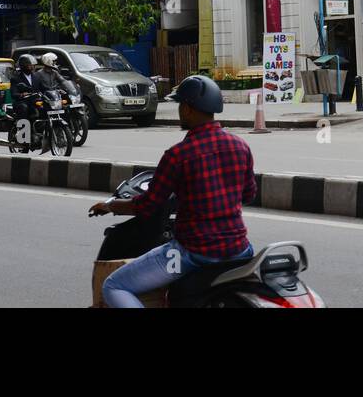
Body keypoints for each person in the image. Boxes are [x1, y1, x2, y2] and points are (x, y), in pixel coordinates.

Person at [93, 75, 257, 308]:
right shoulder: (240, 146)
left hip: (192, 254)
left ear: (188, 109)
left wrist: (111, 206)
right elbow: (249, 195)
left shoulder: (178, 155)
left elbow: (148, 205)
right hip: (240, 249)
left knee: (114, 286)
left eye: (180, 105)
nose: (179, 110)